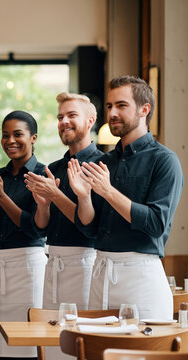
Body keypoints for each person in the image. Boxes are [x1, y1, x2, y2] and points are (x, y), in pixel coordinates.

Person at [68, 75, 183, 320]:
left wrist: (108, 191)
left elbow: (156, 224)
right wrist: (84, 197)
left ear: (145, 109)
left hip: (142, 278)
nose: (112, 113)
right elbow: (90, 229)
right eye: (109, 106)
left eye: (121, 105)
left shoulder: (164, 160)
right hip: (100, 276)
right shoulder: (102, 162)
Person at [0, 110, 46, 360]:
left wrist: (2, 197)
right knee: (2, 348)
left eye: (18, 134)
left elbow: (34, 228)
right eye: (5, 135)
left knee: (30, 345)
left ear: (33, 137)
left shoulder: (42, 176)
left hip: (28, 268)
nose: (10, 141)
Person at [24, 92, 102, 311]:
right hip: (53, 264)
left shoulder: (103, 165)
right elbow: (41, 228)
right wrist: (43, 206)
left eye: (71, 115)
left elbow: (91, 227)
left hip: (86, 265)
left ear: (90, 120)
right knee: (52, 341)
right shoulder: (54, 168)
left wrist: (56, 195)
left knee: (80, 340)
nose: (64, 122)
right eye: (60, 117)